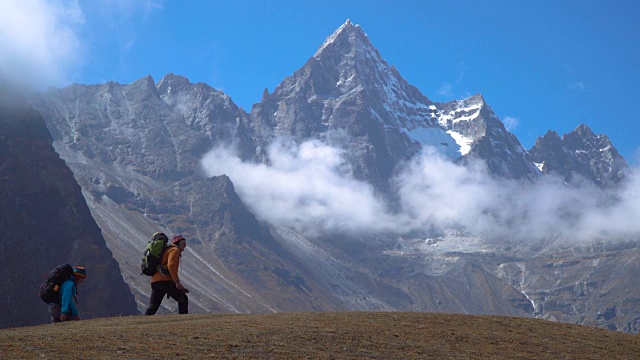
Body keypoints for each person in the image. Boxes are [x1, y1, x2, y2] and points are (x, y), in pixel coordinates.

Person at [144, 234, 189, 315]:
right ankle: (184, 322)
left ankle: (143, 323)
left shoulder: (168, 249)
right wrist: (177, 282)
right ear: (178, 243)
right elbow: (171, 265)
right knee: (182, 298)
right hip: (165, 280)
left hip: (156, 280)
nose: (185, 245)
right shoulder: (174, 250)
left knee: (153, 305)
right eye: (183, 242)